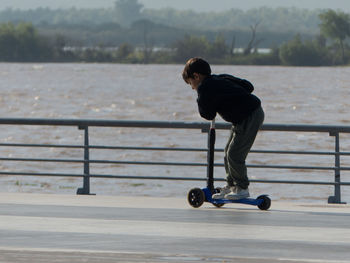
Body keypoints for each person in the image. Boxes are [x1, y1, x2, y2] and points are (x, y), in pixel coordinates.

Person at [182, 57, 264, 200]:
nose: (192, 87)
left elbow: (207, 114)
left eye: (191, 83)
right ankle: (232, 186)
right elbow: (248, 86)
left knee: (234, 154)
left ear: (196, 76)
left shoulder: (205, 88)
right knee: (227, 152)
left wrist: (201, 96)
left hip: (250, 116)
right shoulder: (220, 79)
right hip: (244, 117)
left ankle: (242, 188)